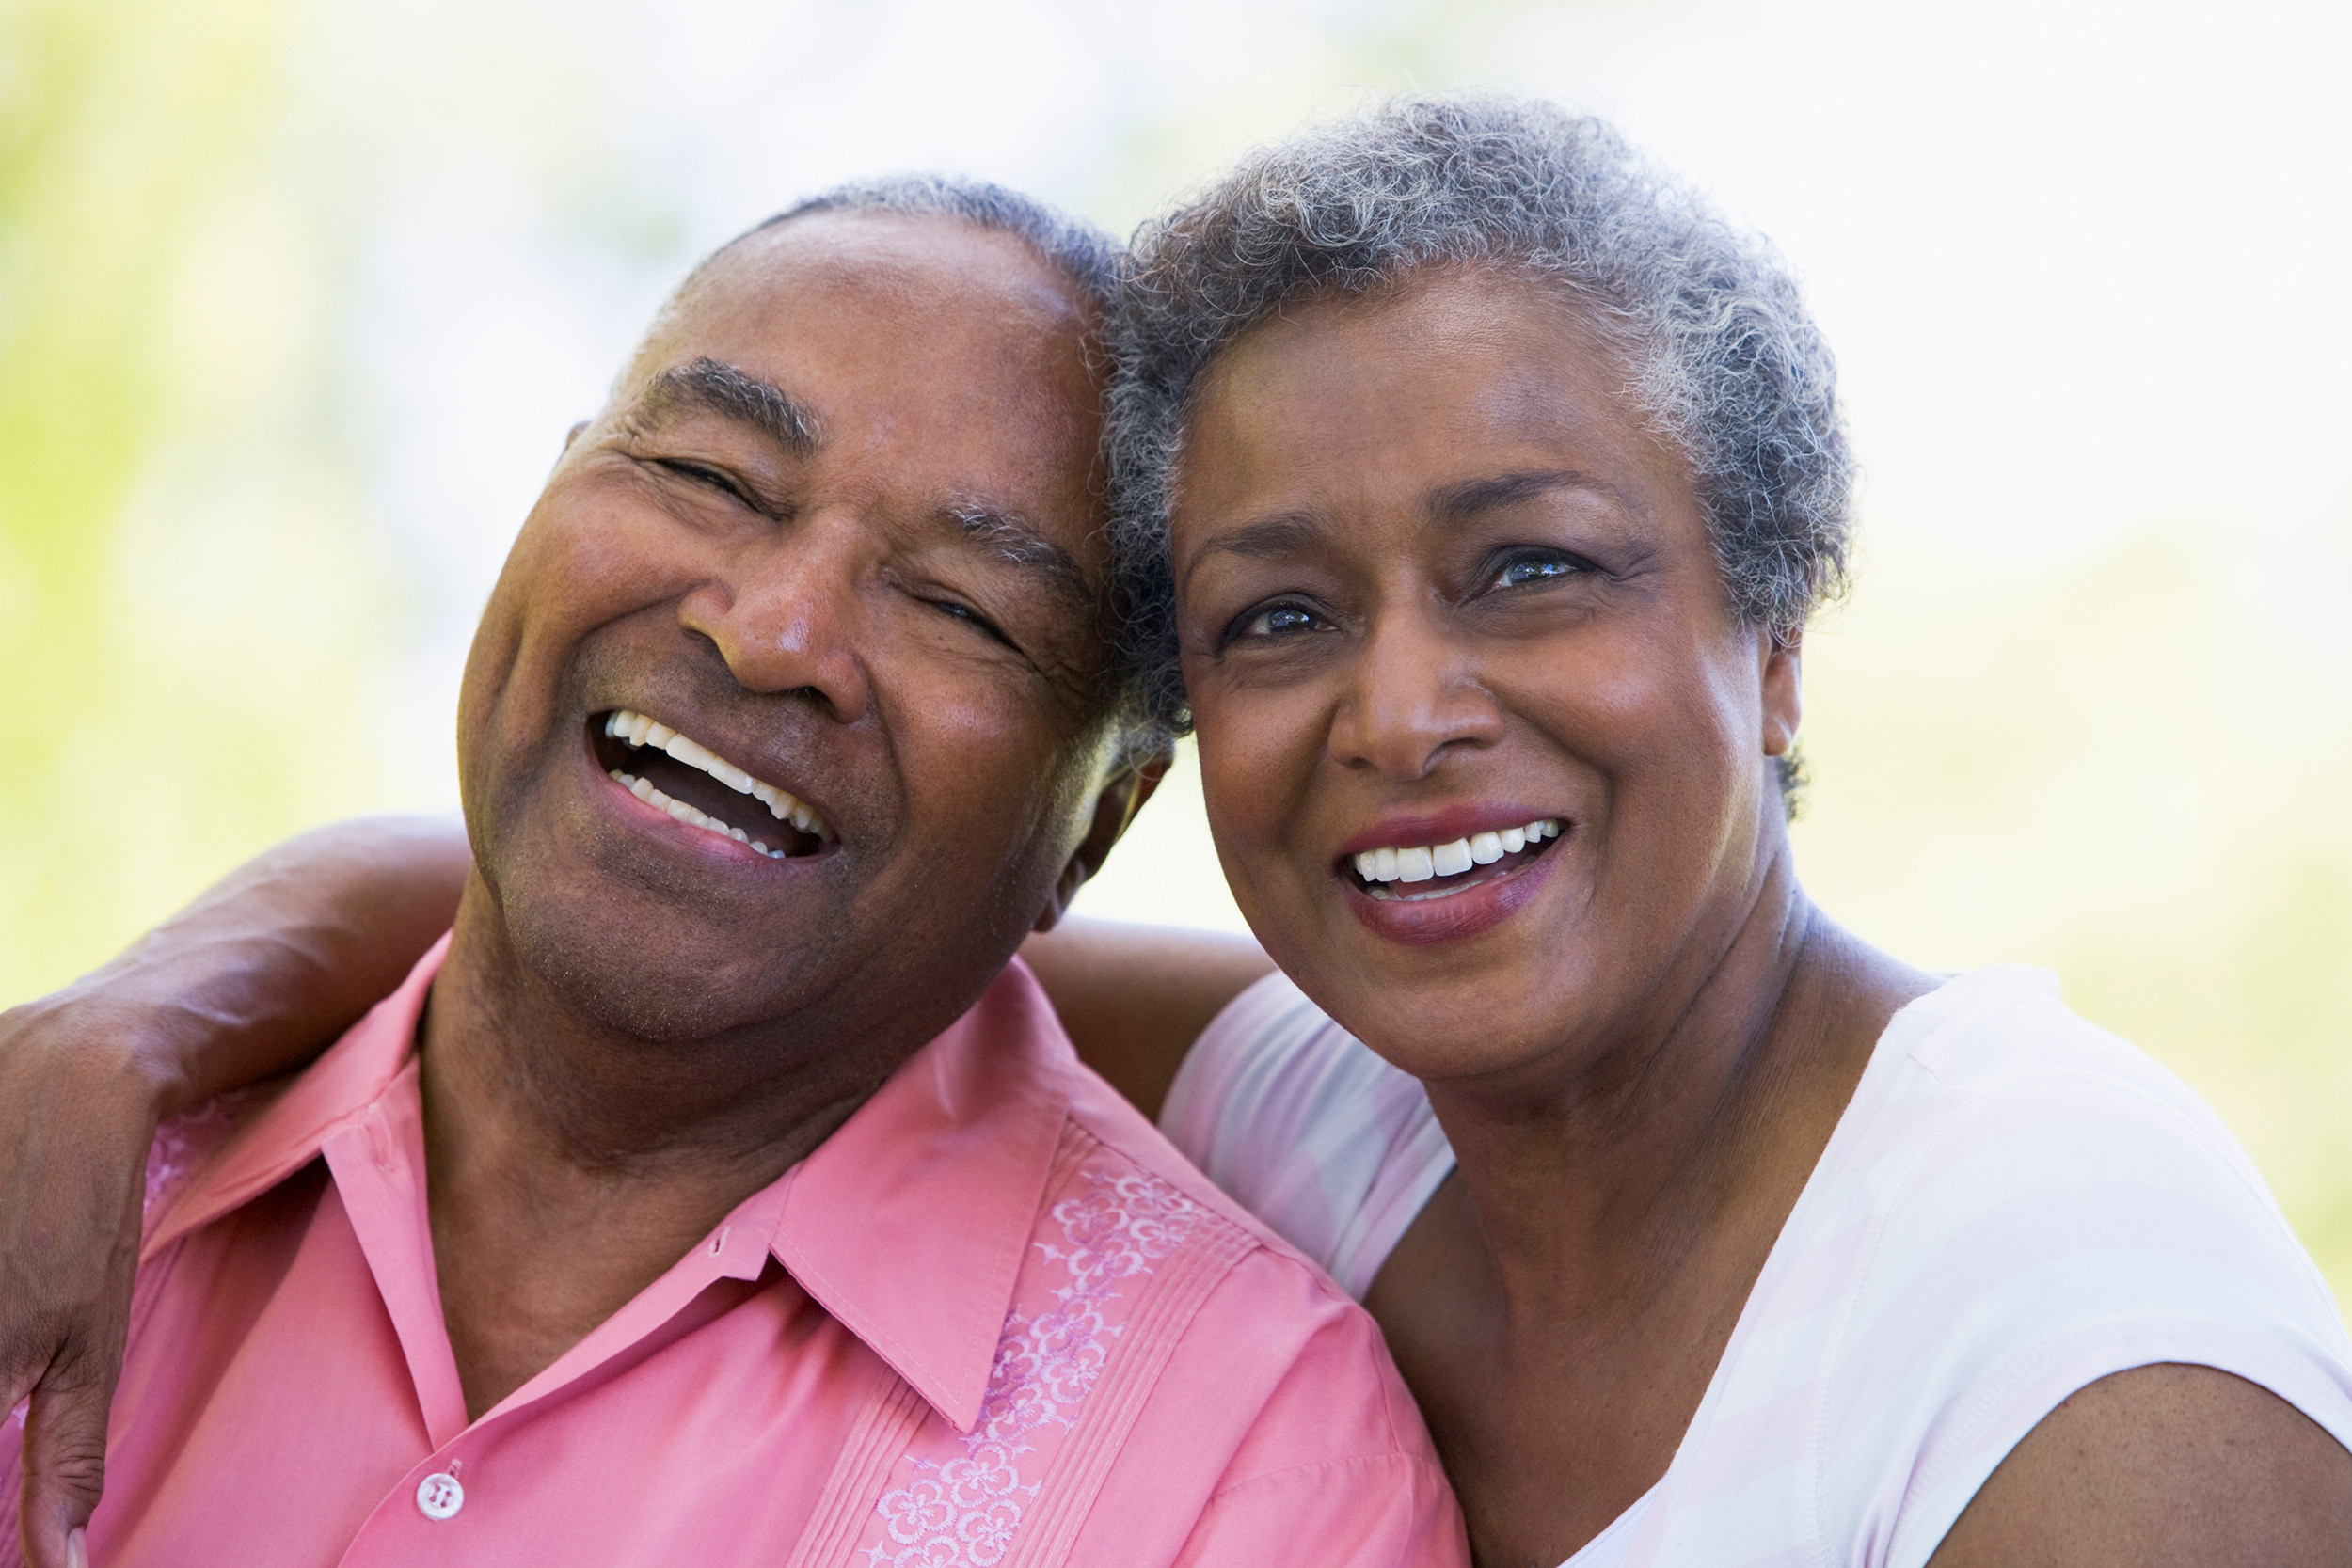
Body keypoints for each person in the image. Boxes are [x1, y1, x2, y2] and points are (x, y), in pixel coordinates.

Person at [9, 95, 2352, 1568]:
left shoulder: (2070, 1311)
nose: (1402, 707)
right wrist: (123, 1027)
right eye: (1276, 614)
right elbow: (695, 900)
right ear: (1160, 781)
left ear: (1772, 635)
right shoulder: (1326, 1100)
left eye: (1530, 565)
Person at [0, 175, 1464, 1568]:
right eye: (709, 473)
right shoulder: (70, 1167)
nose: (774, 632)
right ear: (548, 490)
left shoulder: (1246, 1469)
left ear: (1095, 826)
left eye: (961, 603)